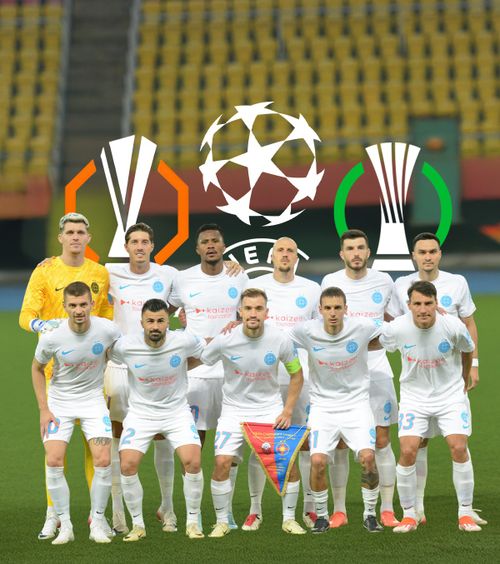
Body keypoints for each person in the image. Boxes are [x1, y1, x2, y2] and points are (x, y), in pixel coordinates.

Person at [20, 212, 113, 540]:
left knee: (97, 451)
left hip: (93, 378)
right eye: (69, 232)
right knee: (55, 454)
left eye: (80, 232)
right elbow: (25, 314)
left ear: (88, 238)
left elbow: (106, 314)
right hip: (54, 377)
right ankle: (54, 516)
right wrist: (41, 325)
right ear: (60, 237)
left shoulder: (99, 273)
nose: (75, 237)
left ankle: (97, 518)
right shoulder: (45, 271)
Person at [387, 232, 484, 526]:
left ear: (439, 254)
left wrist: (472, 367)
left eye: (432, 251)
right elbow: (390, 326)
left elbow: (468, 327)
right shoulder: (401, 286)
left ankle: (465, 509)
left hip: (448, 379)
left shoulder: (457, 284)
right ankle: (415, 508)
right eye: (422, 252)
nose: (427, 256)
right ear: (414, 256)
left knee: (458, 445)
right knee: (414, 446)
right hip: (416, 384)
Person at [200, 288, 305, 537]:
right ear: (240, 311)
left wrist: (288, 410)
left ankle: (289, 519)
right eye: (248, 308)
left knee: (288, 463)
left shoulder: (280, 339)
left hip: (269, 410)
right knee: (222, 463)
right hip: (233, 411)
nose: (253, 313)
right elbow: (203, 358)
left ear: (267, 312)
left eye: (258, 308)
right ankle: (222, 521)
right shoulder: (226, 339)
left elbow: (297, 374)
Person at [168, 224, 249, 528]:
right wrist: (180, 322)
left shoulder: (238, 276)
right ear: (198, 248)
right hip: (195, 374)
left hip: (231, 373)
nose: (211, 245)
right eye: (205, 242)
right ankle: (194, 514)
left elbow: (250, 311)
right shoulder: (183, 278)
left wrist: (238, 322)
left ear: (224, 246)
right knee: (194, 447)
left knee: (231, 448)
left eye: (216, 240)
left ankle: (226, 511)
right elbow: (165, 310)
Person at [108, 298, 205, 541]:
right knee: (127, 465)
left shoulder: (183, 340)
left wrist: (183, 367)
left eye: (160, 321)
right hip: (140, 414)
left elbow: (206, 352)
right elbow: (107, 357)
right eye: (150, 321)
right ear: (141, 322)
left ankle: (193, 523)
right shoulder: (125, 346)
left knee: (193, 462)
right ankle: (137, 526)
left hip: (176, 412)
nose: (155, 326)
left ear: (167, 322)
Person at [31, 282, 120, 544]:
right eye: (73, 305)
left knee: (103, 459)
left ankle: (98, 522)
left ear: (92, 304)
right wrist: (44, 409)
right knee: (54, 460)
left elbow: (121, 355)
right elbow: (36, 368)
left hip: (93, 402)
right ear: (65, 306)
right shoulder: (52, 336)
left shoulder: (108, 329)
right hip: (60, 403)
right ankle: (65, 526)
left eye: (83, 304)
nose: (78, 310)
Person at [320, 229, 399, 528]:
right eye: (350, 248)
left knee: (381, 439)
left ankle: (387, 508)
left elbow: (395, 318)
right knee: (340, 443)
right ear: (342, 254)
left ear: (368, 252)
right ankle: (340, 510)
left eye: (360, 247)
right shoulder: (330, 282)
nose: (356, 253)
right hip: (342, 372)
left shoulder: (384, 281)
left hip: (377, 368)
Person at [105, 223, 178, 535]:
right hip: (120, 366)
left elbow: (194, 291)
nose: (139, 246)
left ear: (152, 245)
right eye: (133, 241)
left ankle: (167, 507)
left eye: (144, 241)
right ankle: (118, 512)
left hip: (157, 365)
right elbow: (76, 271)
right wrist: (50, 262)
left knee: (162, 433)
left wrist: (231, 266)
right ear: (126, 247)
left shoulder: (168, 274)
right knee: (117, 435)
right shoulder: (110, 272)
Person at [290, 286, 383, 534]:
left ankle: (370, 514)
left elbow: (396, 330)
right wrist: (237, 325)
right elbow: (275, 336)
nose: (333, 313)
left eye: (337, 308)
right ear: (320, 310)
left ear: (345, 309)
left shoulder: (362, 327)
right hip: (323, 407)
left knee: (368, 458)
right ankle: (322, 516)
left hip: (357, 405)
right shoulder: (306, 330)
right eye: (328, 308)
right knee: (317, 461)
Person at [243, 237, 320, 530]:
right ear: (271, 256)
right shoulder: (256, 285)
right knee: (260, 443)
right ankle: (255, 509)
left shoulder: (311, 289)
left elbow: (319, 330)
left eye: (290, 250)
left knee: (305, 442)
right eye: (280, 251)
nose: (285, 255)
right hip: (264, 377)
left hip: (302, 376)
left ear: (296, 257)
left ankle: (310, 508)